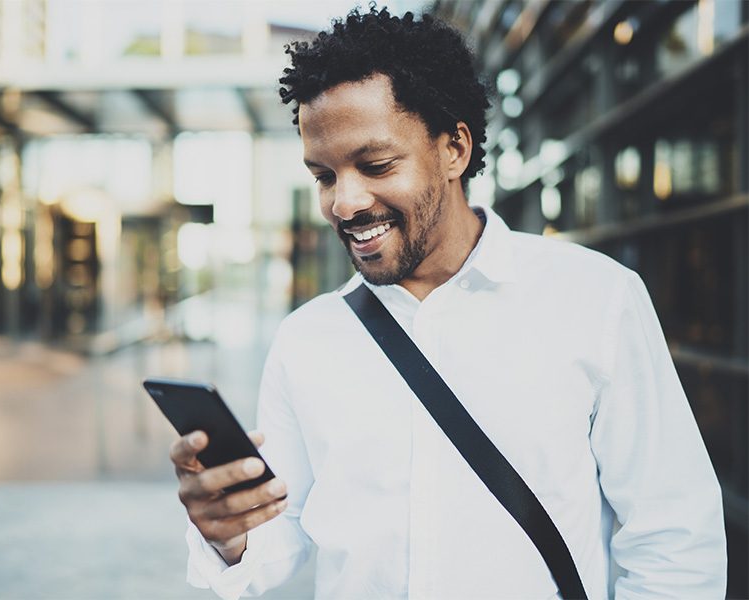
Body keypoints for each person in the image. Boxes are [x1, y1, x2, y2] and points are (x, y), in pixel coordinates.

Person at [169, 6, 726, 599]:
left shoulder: (596, 299)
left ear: (454, 148)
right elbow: (282, 536)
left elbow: (672, 536)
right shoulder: (307, 340)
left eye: (375, 165)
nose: (344, 202)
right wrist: (228, 533)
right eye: (324, 176)